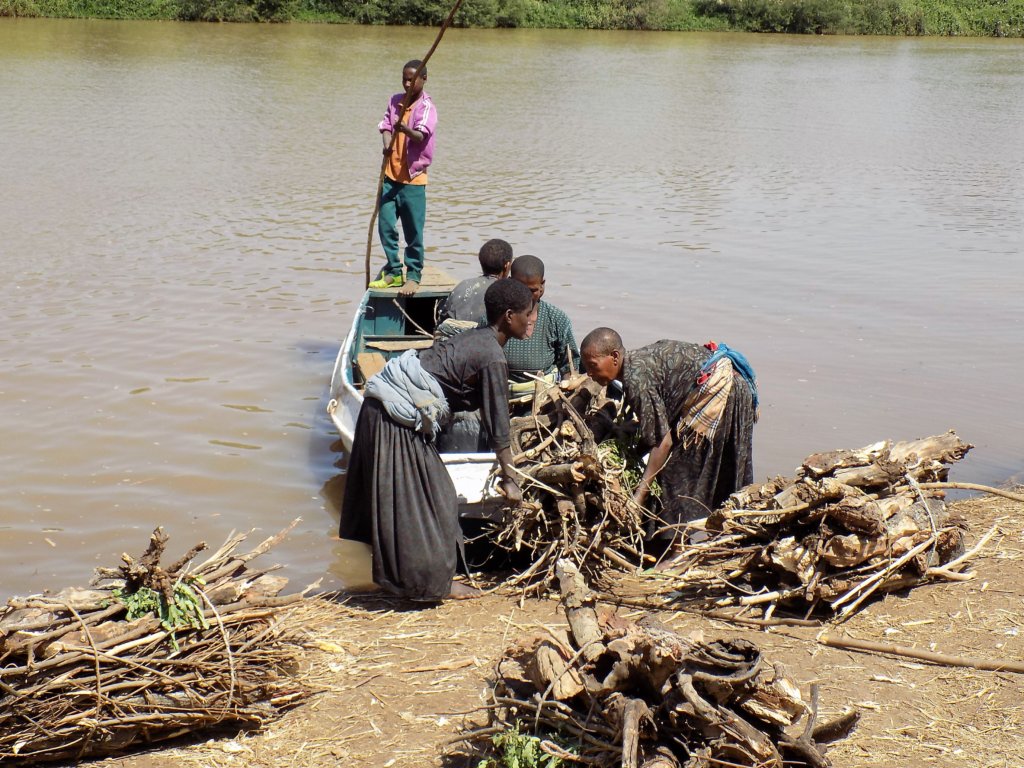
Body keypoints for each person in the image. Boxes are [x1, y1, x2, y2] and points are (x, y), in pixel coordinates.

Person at [339, 278, 534, 602]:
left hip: (382, 409)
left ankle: (398, 578)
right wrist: (510, 479)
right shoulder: (493, 357)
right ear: (509, 316)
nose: (531, 321)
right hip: (394, 418)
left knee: (421, 496)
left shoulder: (479, 339)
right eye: (527, 314)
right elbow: (499, 427)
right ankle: (429, 585)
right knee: (435, 498)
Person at [580, 328, 758, 549]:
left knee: (677, 474)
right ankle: (721, 536)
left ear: (614, 357)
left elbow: (661, 442)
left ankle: (677, 548)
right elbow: (658, 426)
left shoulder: (636, 379)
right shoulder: (636, 363)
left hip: (723, 393)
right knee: (716, 470)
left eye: (592, 365)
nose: (589, 373)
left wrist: (639, 496)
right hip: (732, 385)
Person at [369, 59, 437, 298]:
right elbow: (386, 126)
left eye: (412, 79)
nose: (407, 83)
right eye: (404, 79)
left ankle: (413, 274)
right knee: (385, 225)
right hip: (391, 176)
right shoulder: (394, 100)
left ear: (423, 79)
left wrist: (404, 128)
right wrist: (387, 144)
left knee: (413, 232)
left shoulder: (426, 107)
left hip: (413, 180)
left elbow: (420, 135)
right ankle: (394, 270)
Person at [503, 255, 581, 392]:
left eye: (532, 290)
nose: (525, 295)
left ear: (542, 285)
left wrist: (568, 387)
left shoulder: (557, 319)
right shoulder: (496, 316)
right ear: (510, 283)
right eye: (520, 288)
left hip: (543, 396)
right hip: (501, 394)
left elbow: (569, 365)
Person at [436, 239, 514, 333]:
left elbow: (443, 320)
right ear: (507, 266)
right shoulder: (506, 293)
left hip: (452, 342)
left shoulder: (462, 285)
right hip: (483, 343)